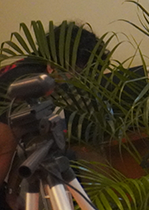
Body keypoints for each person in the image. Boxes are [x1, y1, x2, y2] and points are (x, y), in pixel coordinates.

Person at [0, 21, 109, 210]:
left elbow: (25, 138)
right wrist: (8, 195)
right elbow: (5, 147)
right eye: (80, 73)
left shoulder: (32, 69)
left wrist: (11, 191)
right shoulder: (25, 83)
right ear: (58, 64)